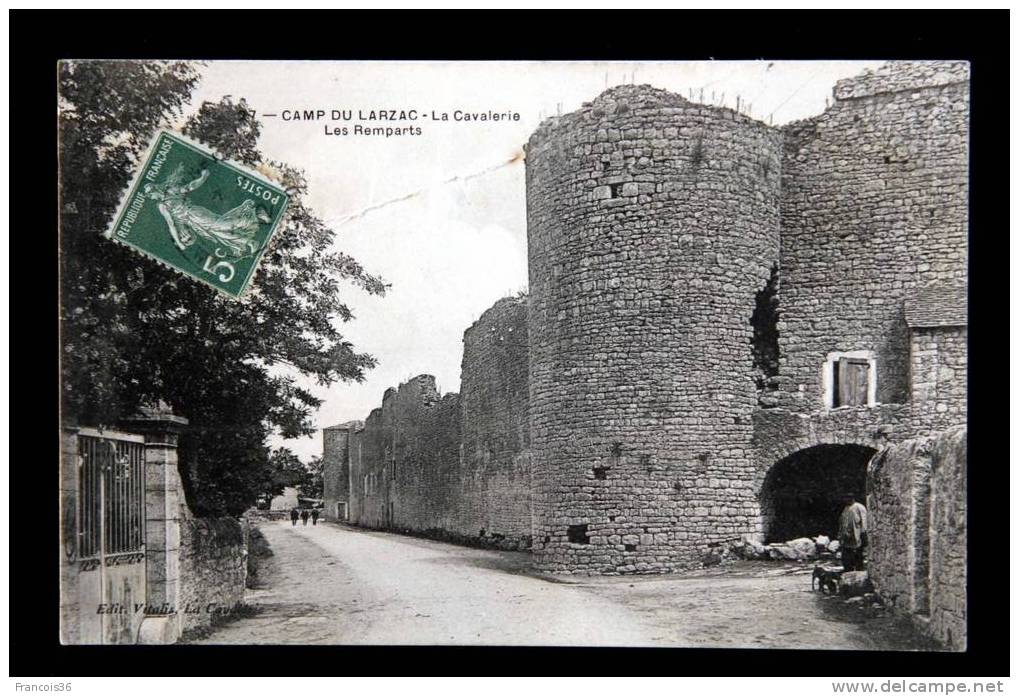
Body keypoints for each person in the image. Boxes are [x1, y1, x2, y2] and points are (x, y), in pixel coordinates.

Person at [838, 492, 869, 572]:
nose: (845, 500)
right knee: (846, 558)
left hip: (857, 536)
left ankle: (859, 572)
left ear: (851, 498)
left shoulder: (859, 507)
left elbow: (864, 521)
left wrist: (863, 533)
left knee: (858, 556)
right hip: (847, 537)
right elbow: (843, 522)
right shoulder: (846, 508)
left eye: (847, 498)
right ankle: (848, 571)